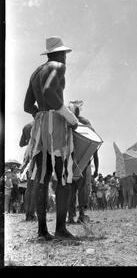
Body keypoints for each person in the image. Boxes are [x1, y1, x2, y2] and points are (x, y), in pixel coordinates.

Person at [23, 36, 79, 240]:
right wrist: (69, 116)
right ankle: (61, 229)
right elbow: (48, 91)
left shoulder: (36, 72)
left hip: (39, 126)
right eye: (65, 54)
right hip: (55, 125)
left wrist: (41, 114)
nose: (66, 58)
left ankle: (42, 231)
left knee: (42, 178)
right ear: (61, 53)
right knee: (63, 176)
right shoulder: (58, 66)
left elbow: (28, 106)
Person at [19, 121, 38, 221]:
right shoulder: (43, 122)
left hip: (28, 156)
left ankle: (28, 214)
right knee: (36, 188)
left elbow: (21, 144)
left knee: (29, 188)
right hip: (38, 155)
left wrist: (30, 141)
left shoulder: (26, 126)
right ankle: (32, 214)